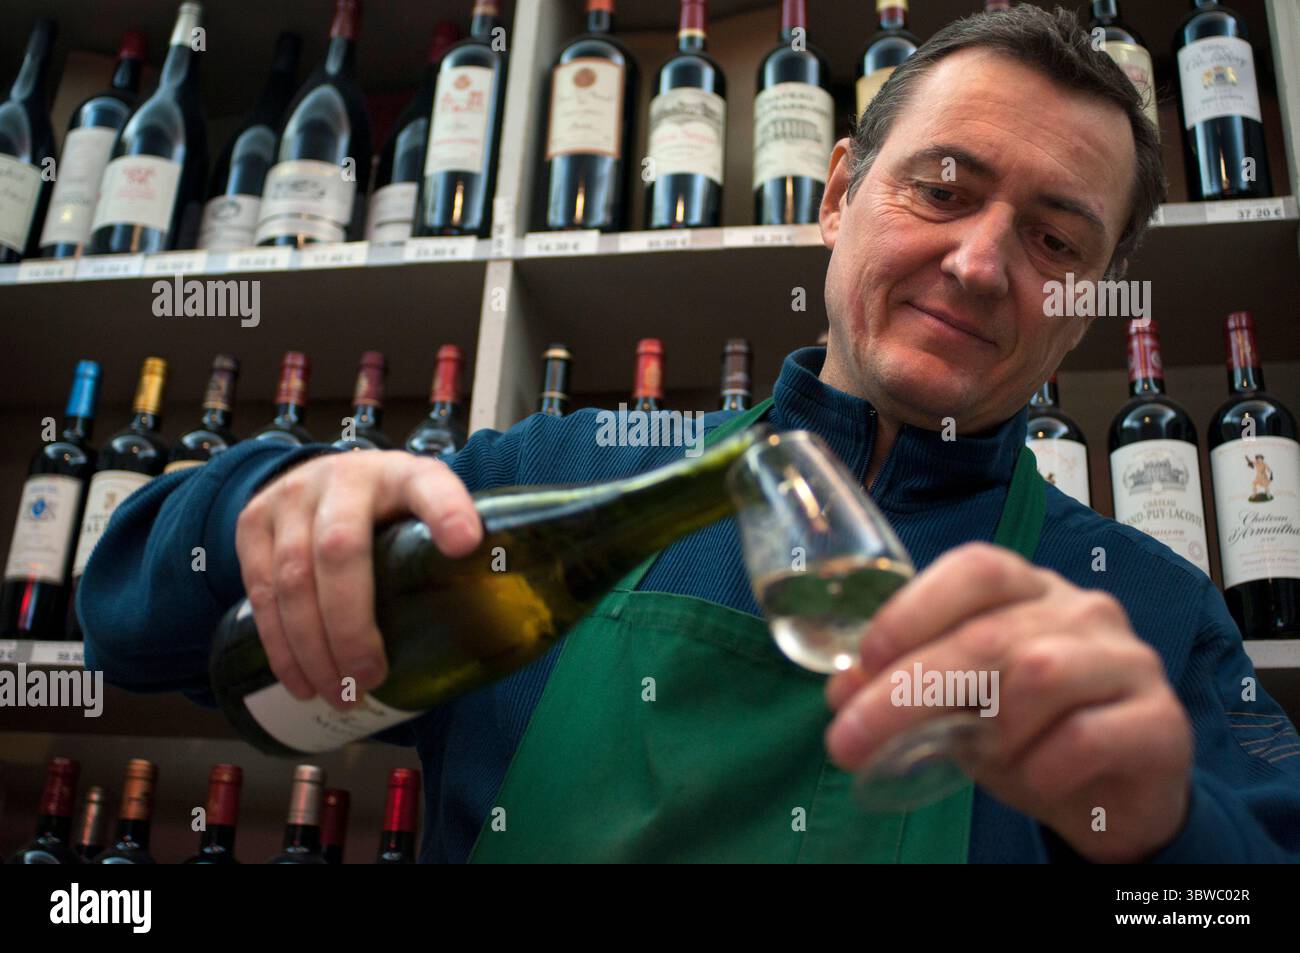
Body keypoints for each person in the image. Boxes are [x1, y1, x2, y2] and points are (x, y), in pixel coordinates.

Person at [80, 6, 1300, 862]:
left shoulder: (1146, 607)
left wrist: (1157, 828)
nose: (979, 262)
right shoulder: (541, 479)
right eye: (940, 185)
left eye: (1055, 240)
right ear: (834, 197)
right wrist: (259, 506)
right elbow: (131, 620)